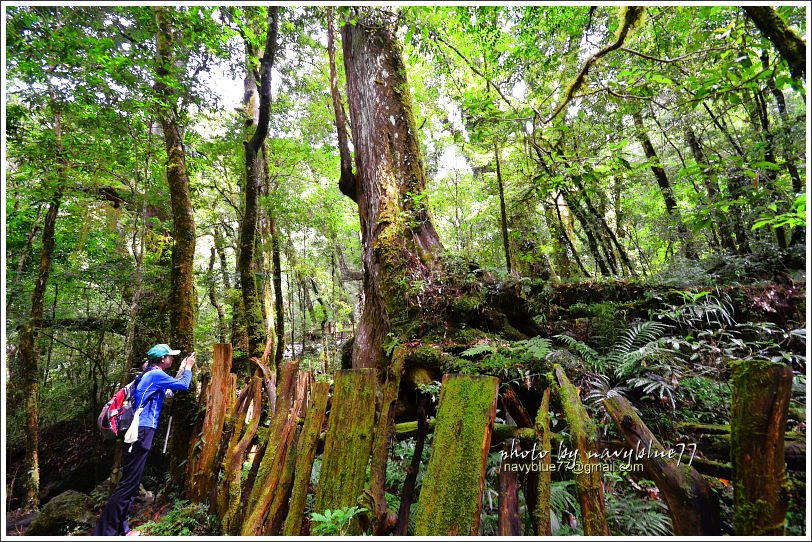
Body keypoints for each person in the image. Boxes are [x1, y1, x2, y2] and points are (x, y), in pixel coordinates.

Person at [94, 344, 195, 536]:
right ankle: (104, 532)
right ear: (162, 359)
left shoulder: (151, 374)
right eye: (170, 357)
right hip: (140, 431)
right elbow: (183, 385)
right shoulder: (154, 375)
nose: (172, 360)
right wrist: (188, 367)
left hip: (142, 430)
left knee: (131, 483)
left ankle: (122, 530)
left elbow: (170, 391)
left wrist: (182, 369)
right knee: (128, 484)